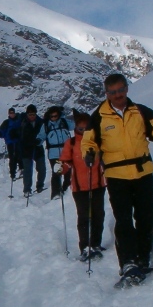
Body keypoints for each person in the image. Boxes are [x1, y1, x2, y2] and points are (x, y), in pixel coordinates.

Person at [81, 73, 153, 285]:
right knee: (124, 219)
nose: (118, 95)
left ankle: (143, 256)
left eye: (121, 90)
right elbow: (89, 142)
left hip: (143, 173)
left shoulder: (141, 111)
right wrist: (89, 153)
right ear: (106, 94)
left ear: (126, 89)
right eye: (113, 92)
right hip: (117, 176)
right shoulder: (98, 117)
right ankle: (128, 262)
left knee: (145, 216)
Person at [60, 109, 106, 260]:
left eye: (87, 128)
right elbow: (66, 161)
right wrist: (61, 168)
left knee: (98, 215)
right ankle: (85, 246)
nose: (84, 131)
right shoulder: (71, 143)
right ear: (76, 128)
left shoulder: (97, 141)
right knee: (84, 217)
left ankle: (96, 243)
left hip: (98, 184)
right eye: (81, 128)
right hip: (79, 187)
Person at [13, 103, 46, 196]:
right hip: (26, 150)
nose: (32, 116)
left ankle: (40, 186)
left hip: (38, 148)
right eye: (30, 114)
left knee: (42, 169)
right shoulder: (22, 122)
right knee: (27, 170)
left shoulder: (41, 122)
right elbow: (17, 132)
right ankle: (27, 190)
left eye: (33, 114)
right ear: (27, 114)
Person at [40, 106, 73, 198]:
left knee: (68, 172)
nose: (54, 118)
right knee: (56, 172)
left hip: (66, 152)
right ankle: (56, 193)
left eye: (56, 116)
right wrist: (37, 141)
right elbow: (41, 136)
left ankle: (66, 190)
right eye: (52, 116)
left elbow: (75, 125)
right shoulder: (46, 125)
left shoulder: (64, 122)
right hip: (54, 154)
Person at [0, 107, 21, 178]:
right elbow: (2, 130)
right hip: (10, 142)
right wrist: (0, 133)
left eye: (13, 113)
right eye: (11, 113)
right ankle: (13, 173)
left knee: (18, 155)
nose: (12, 114)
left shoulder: (18, 121)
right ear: (9, 114)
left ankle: (20, 169)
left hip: (17, 141)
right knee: (12, 157)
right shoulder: (6, 122)